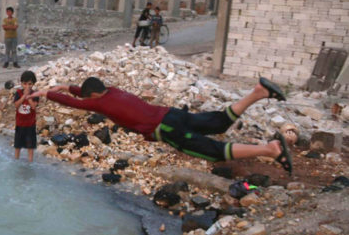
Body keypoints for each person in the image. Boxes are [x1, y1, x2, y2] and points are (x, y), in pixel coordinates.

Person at [27, 77, 293, 173]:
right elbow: (86, 93)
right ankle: (258, 92)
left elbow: (78, 104)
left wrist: (47, 93)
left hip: (166, 129)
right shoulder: (112, 91)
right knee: (217, 121)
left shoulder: (101, 104)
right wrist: (68, 86)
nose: (88, 100)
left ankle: (270, 150)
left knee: (213, 151)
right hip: (172, 114)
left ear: (94, 96)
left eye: (88, 97)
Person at [13, 70, 40, 162]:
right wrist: (23, 96)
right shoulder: (18, 93)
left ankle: (30, 162)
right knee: (17, 145)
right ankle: (16, 160)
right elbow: (16, 105)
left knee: (30, 146)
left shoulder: (35, 94)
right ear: (21, 84)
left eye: (30, 84)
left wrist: (28, 96)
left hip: (30, 125)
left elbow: (33, 106)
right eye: (25, 84)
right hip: (20, 124)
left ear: (33, 84)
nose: (27, 86)